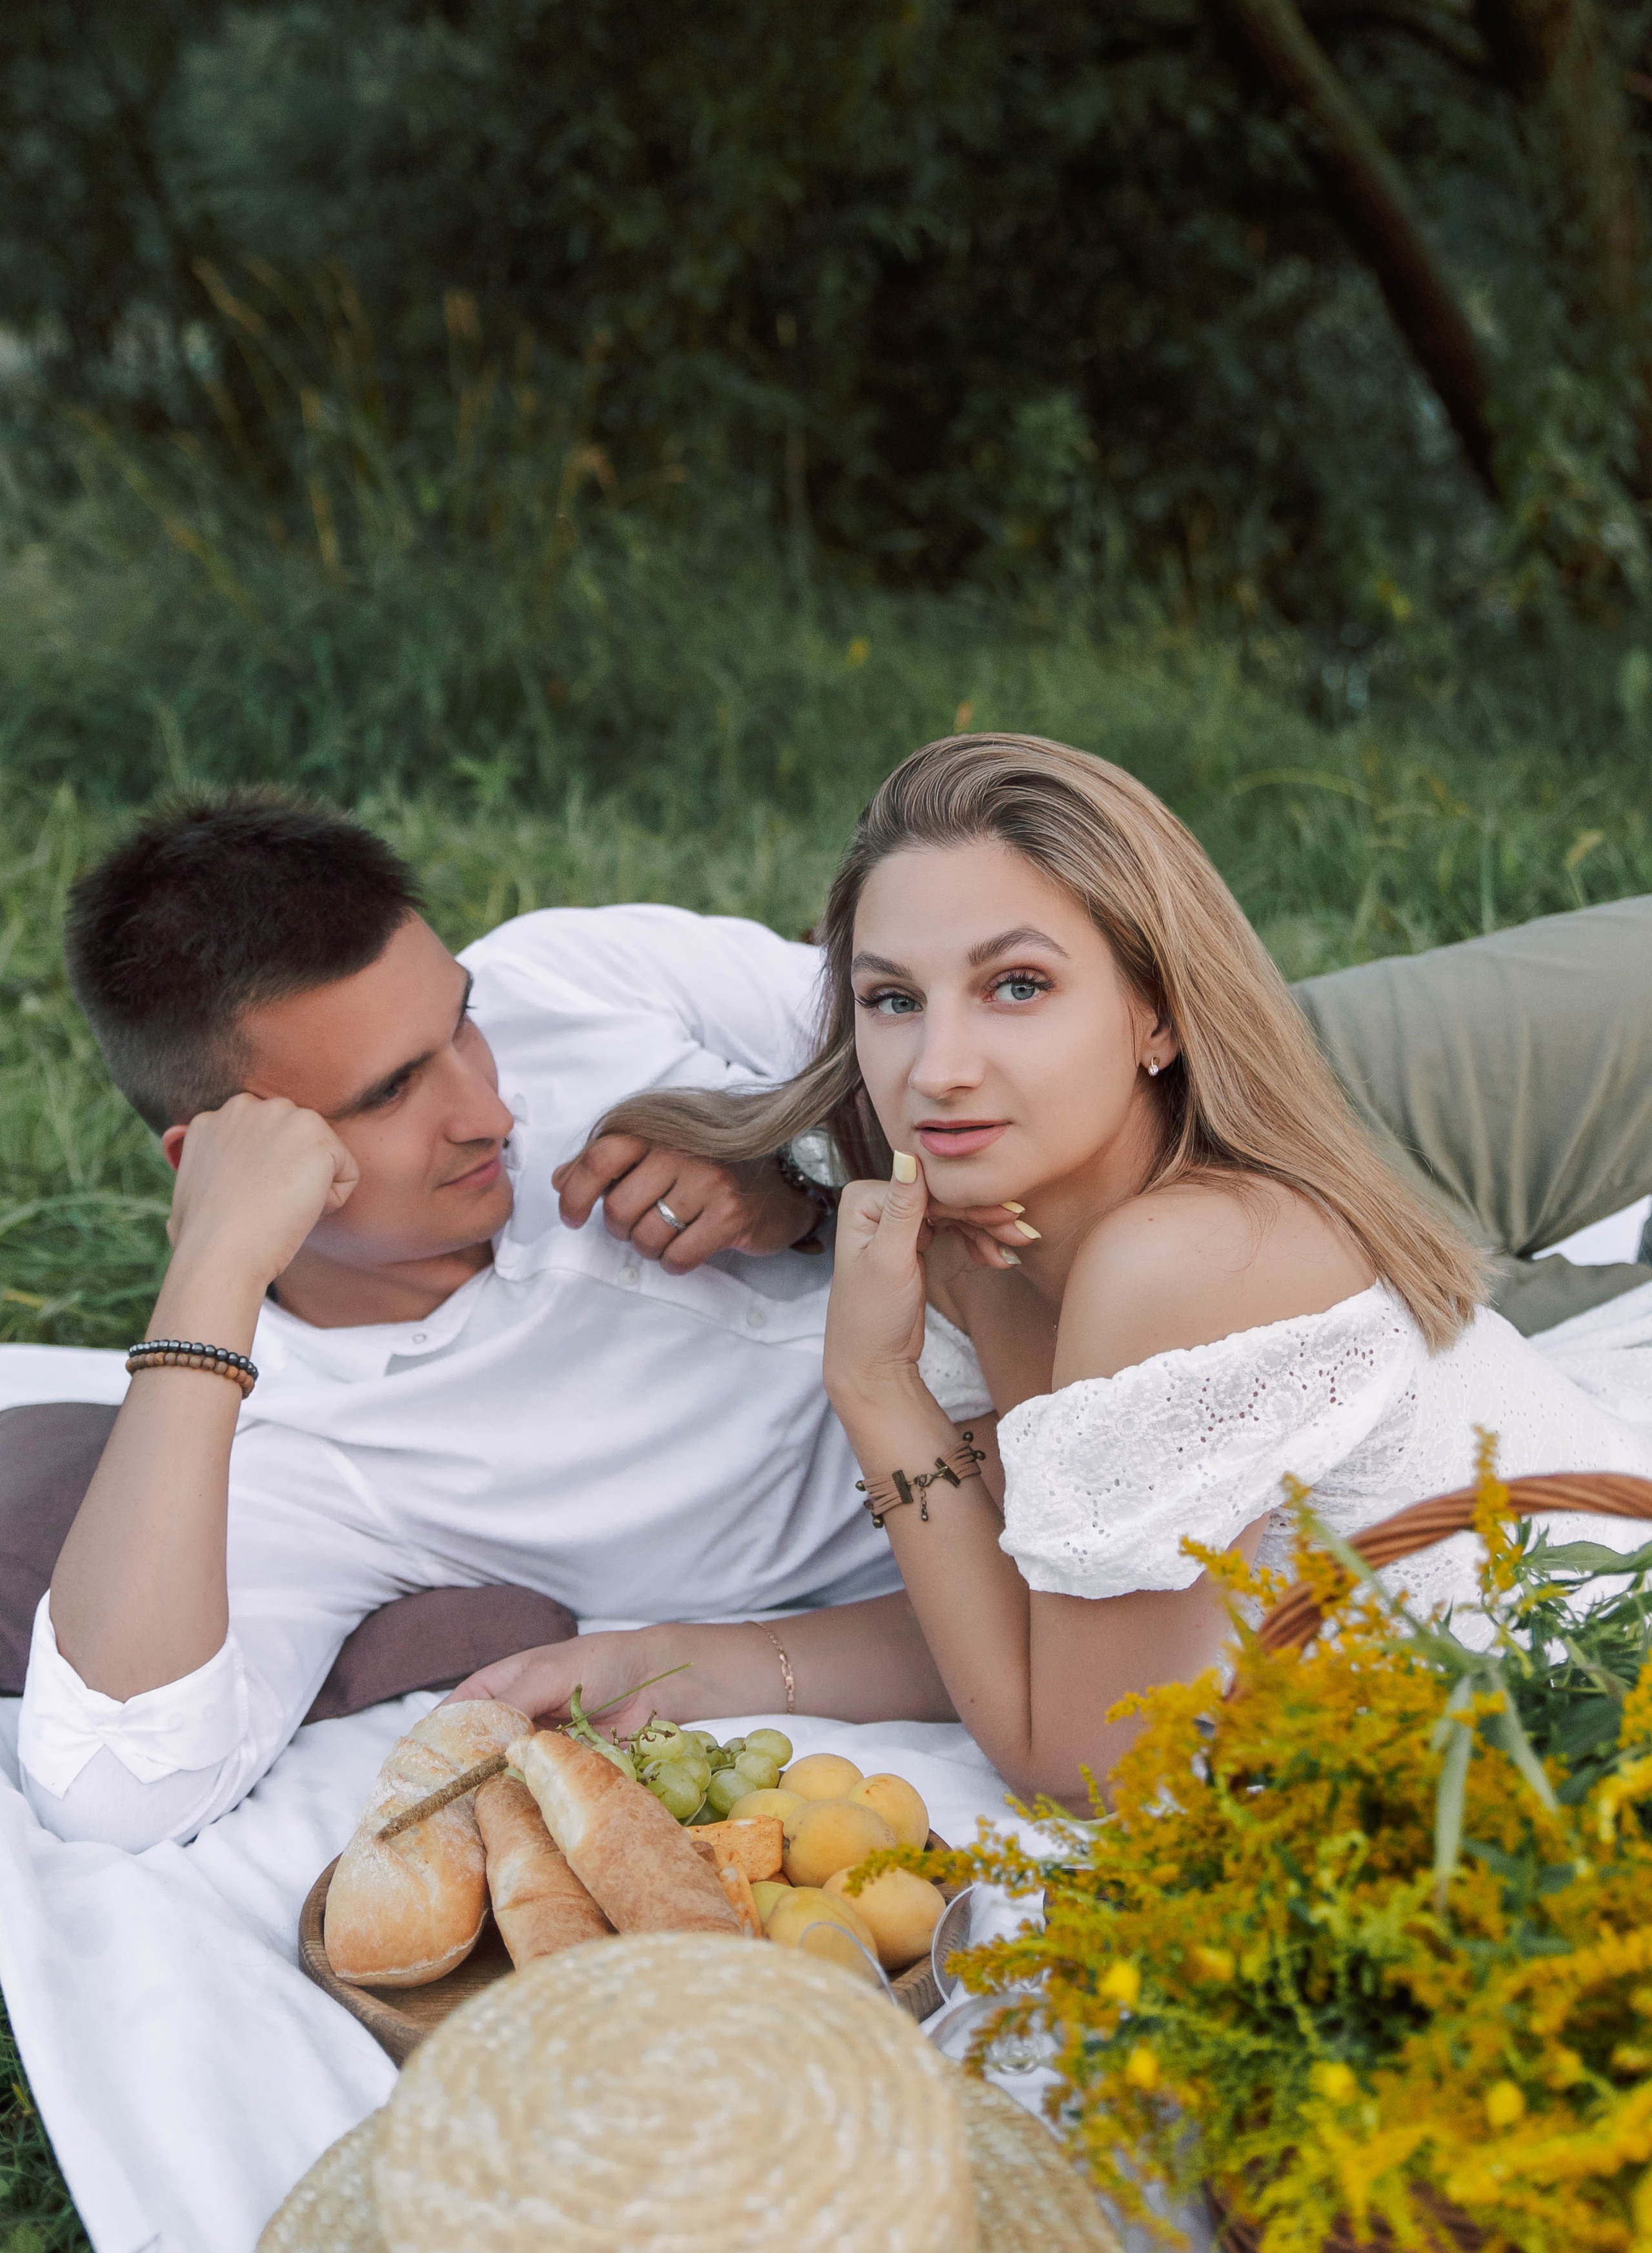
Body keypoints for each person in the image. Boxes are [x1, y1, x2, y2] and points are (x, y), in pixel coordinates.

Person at [486, 734, 1652, 1803]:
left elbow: (1089, 1763)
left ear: (1157, 1014)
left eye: (1018, 986)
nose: (939, 1065)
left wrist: (877, 1388)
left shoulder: (1179, 1260)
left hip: (1593, 1678)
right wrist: (685, 1664)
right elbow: (1054, 1627)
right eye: (895, 999)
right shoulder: (981, 1236)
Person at [14, 789, 969, 1852]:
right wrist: (210, 1273)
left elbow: (971, 1030)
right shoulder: (313, 1467)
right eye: (388, 1095)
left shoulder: (567, 974)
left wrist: (799, 1169)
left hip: (1098, 1284)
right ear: (225, 1160)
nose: (490, 1113)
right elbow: (116, 1788)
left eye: (461, 1019)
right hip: (1002, 1544)